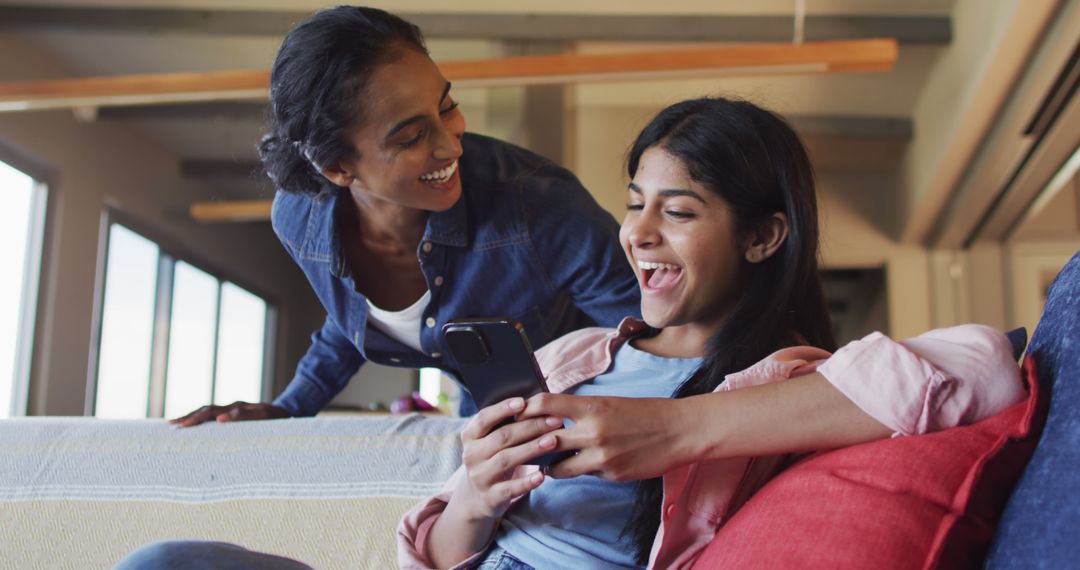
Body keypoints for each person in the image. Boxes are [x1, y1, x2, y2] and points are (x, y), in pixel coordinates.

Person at [396, 97, 1026, 569]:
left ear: (762, 237)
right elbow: (429, 554)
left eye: (677, 211)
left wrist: (672, 430)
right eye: (635, 202)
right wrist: (475, 501)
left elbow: (987, 366)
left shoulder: (788, 386)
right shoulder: (573, 358)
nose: (638, 233)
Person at [171, 6, 639, 426]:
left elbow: (649, 337)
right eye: (412, 137)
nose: (452, 144)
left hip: (593, 410)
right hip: (487, 424)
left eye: (447, 107)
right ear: (338, 168)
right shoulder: (299, 221)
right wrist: (290, 407)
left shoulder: (536, 203)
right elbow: (350, 320)